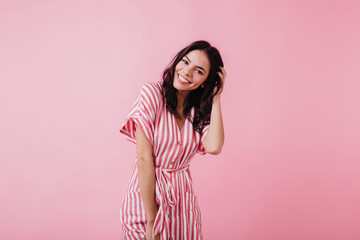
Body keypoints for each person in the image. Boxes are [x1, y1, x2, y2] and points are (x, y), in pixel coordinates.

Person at [119, 40, 226, 240]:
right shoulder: (152, 94)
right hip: (144, 207)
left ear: (205, 81)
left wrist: (217, 96)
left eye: (198, 70)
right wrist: (152, 220)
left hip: (182, 211)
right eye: (185, 62)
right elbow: (143, 158)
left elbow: (214, 146)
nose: (186, 71)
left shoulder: (198, 113)